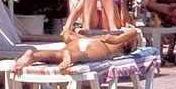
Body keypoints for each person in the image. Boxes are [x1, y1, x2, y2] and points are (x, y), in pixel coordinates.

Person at [11, 26, 141, 74]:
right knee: (84, 54)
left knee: (57, 55)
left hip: (81, 43)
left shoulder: (123, 46)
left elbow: (134, 32)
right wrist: (115, 39)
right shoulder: (116, 44)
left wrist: (115, 39)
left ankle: (33, 56)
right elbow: (134, 32)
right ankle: (71, 57)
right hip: (97, 46)